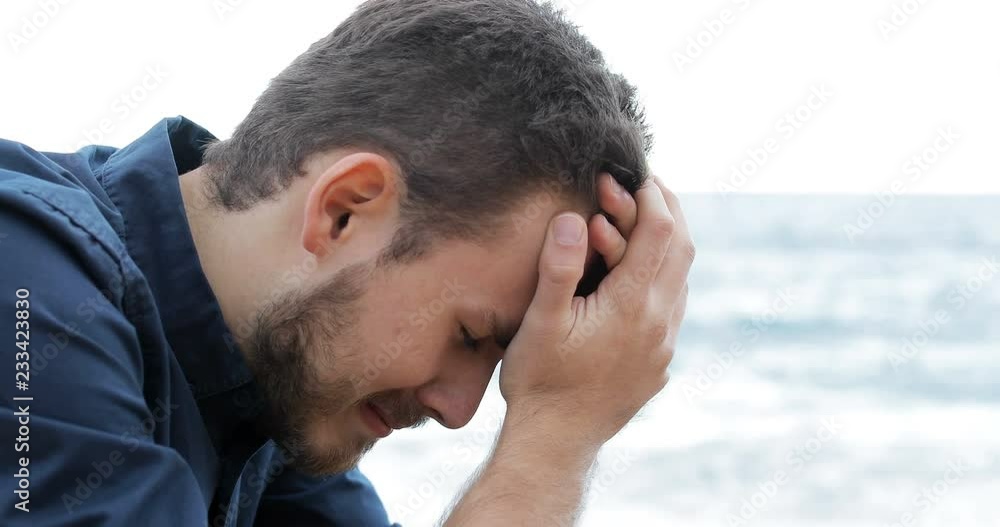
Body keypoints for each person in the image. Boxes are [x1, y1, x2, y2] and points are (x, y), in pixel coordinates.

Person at [0, 0, 694, 524]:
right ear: (345, 209)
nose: (458, 410)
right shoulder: (29, 291)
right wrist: (556, 435)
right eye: (470, 335)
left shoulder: (271, 392)